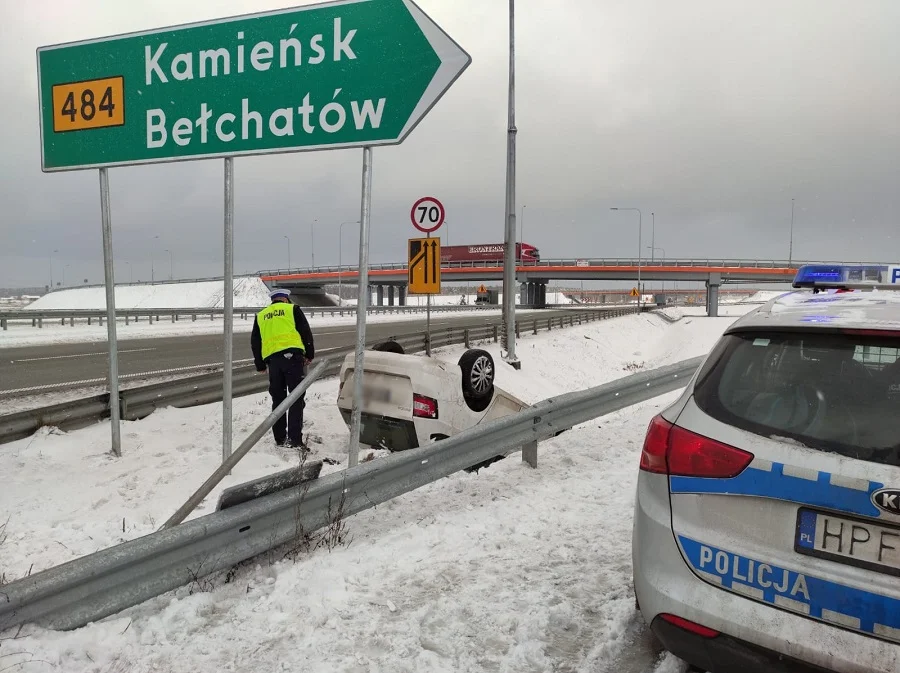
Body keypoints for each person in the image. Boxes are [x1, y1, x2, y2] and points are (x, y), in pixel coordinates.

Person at [251, 289, 315, 449]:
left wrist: (260, 365)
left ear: (273, 300)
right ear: (286, 299)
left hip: (273, 362)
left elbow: (255, 342)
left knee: (278, 399)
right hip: (293, 358)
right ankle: (295, 440)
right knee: (295, 398)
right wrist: (309, 354)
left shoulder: (261, 315)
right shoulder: (292, 309)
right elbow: (305, 332)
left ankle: (279, 438)